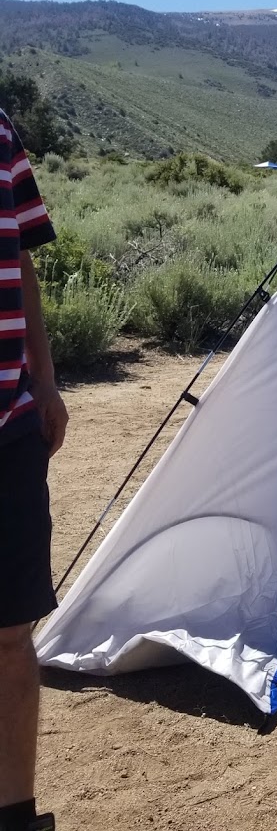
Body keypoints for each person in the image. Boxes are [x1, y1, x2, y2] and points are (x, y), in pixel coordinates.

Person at [0, 105, 67, 831]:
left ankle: (16, 815)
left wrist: (44, 381)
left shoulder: (0, 132)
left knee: (10, 632)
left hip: (10, 421)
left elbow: (20, 258)